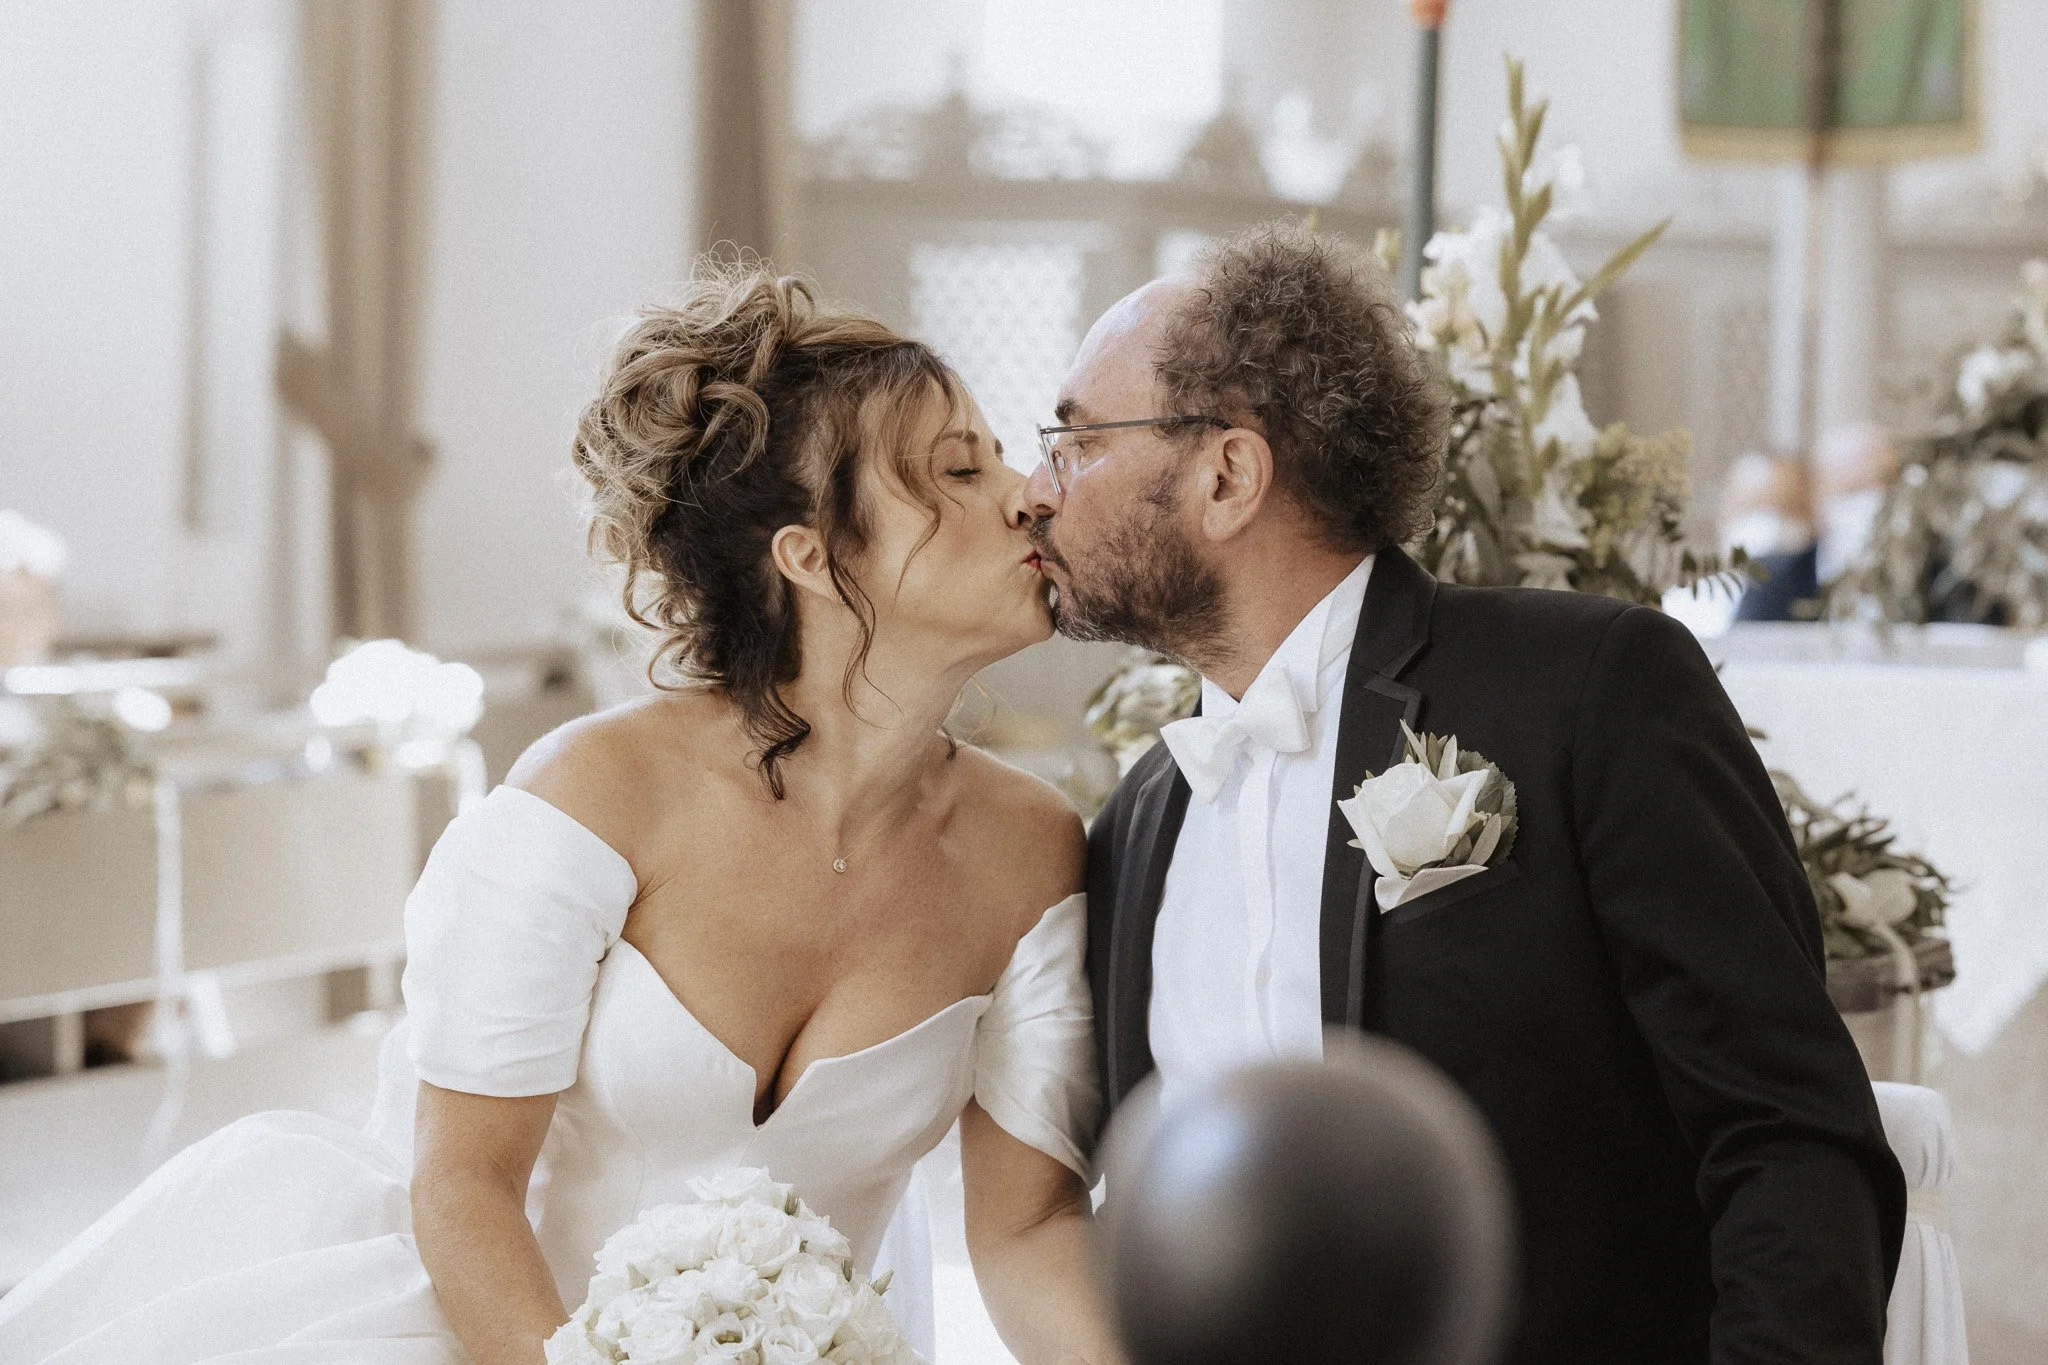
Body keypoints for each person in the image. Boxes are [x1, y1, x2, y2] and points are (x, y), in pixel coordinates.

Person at [0, 265, 1124, 1365]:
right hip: (475, 1328)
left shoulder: (1028, 848)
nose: (1028, 492)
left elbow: (1025, 1230)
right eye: (960, 469)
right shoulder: (595, 797)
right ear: (813, 557)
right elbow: (465, 1184)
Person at [1028, 222, 1906, 1365]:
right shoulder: (1141, 821)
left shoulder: (1583, 693)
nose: (1032, 490)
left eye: (1072, 441)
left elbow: (1787, 1137)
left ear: (1226, 475)